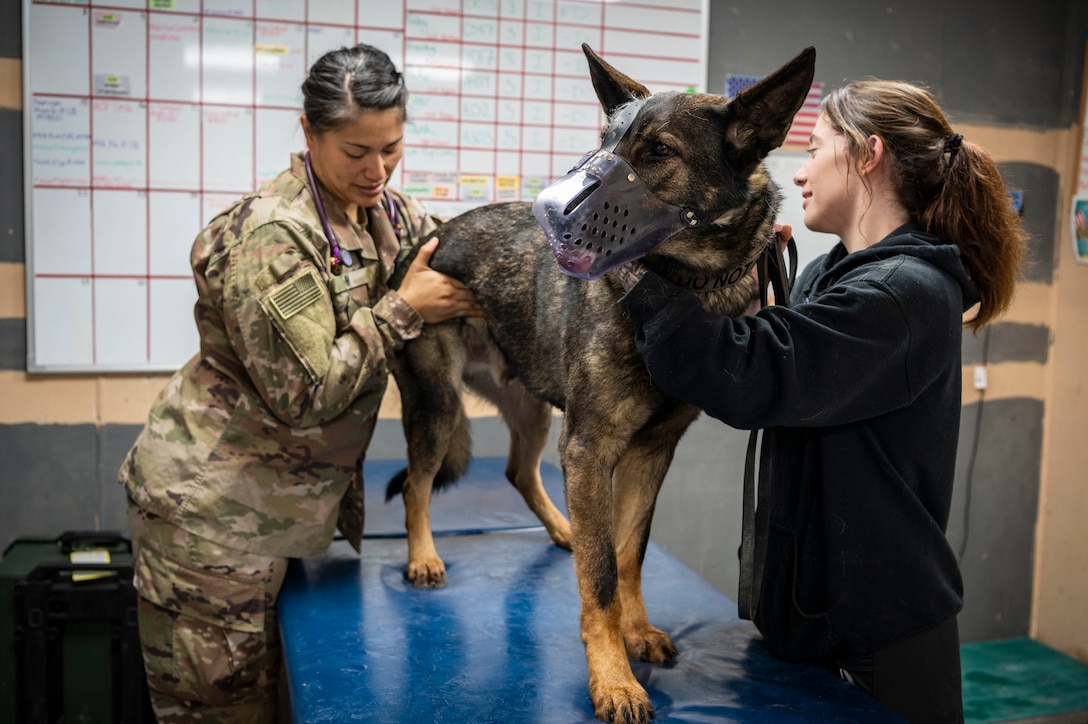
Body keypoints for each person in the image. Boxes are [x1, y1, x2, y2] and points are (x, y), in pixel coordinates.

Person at [615, 79, 1026, 722]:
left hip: (877, 640)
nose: (800, 170)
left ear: (868, 156)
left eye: (815, 147)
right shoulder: (832, 271)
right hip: (811, 618)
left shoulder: (902, 292)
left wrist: (625, 262)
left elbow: (751, 373)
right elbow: (782, 358)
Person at [118, 43, 482, 722]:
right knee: (226, 714)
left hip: (283, 515)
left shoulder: (383, 213)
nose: (378, 170)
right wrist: (405, 311)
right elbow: (304, 396)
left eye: (392, 148)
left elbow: (459, 256)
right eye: (356, 152)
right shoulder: (274, 240)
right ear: (310, 133)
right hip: (214, 524)